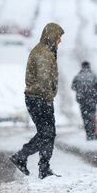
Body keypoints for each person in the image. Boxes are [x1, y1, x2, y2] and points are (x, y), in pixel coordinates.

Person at [10, 22, 64, 179]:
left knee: (46, 133)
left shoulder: (45, 50)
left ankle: (41, 166)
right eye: (59, 37)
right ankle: (24, 157)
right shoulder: (43, 54)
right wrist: (47, 98)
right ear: (52, 36)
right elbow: (43, 79)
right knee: (47, 133)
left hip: (38, 98)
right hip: (39, 99)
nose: (60, 40)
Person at [71, 61, 97, 140]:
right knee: (92, 116)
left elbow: (73, 87)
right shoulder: (94, 76)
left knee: (85, 117)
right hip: (92, 99)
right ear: (89, 66)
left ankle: (88, 134)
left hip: (82, 100)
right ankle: (93, 132)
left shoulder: (78, 77)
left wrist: (80, 91)